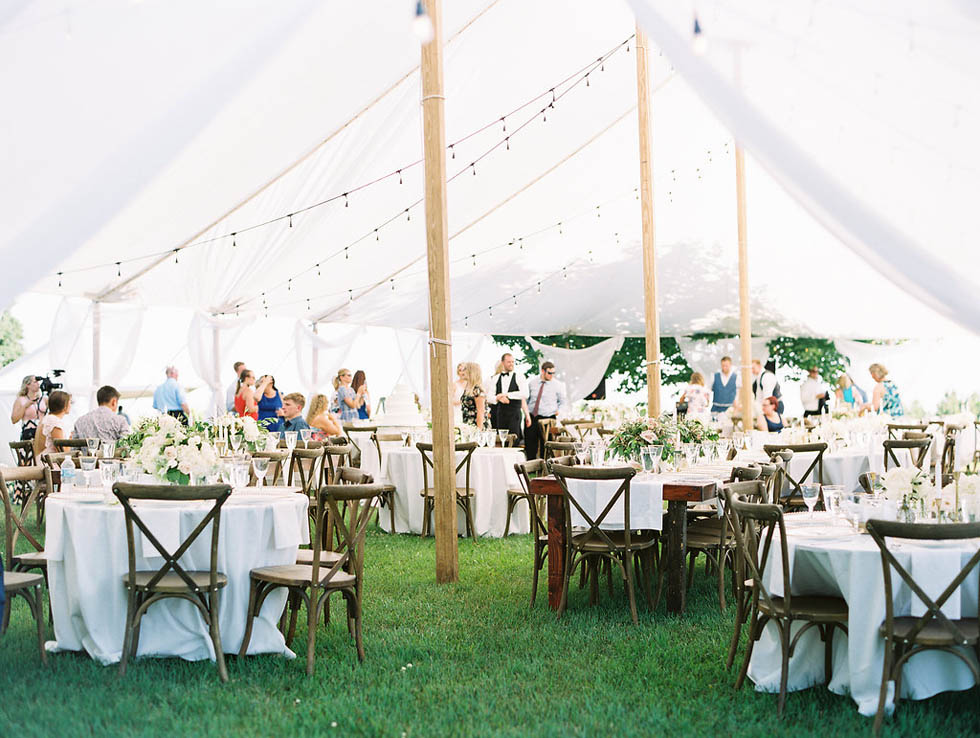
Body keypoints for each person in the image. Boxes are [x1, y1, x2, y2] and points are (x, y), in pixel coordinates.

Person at [525, 361, 567, 459]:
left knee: (547, 444)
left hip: (548, 418)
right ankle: (530, 466)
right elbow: (526, 399)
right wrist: (526, 414)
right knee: (530, 443)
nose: (551, 375)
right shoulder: (532, 383)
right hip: (532, 417)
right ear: (542, 371)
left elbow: (563, 401)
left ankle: (545, 466)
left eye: (553, 373)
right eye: (549, 373)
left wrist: (558, 411)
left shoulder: (557, 385)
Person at [487, 353, 528, 442]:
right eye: (508, 362)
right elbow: (489, 397)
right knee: (500, 441)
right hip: (500, 415)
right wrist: (498, 398)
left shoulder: (519, 376)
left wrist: (506, 395)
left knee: (514, 440)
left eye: (513, 362)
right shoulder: (495, 378)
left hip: (514, 415)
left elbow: (525, 394)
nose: (511, 364)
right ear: (502, 363)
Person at [34, 390, 72, 457]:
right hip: (48, 463)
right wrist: (71, 438)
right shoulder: (54, 422)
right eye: (70, 403)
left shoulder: (47, 418)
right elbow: (62, 452)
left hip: (41, 460)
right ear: (64, 405)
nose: (71, 405)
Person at [10, 375, 46, 441]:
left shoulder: (43, 399)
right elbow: (14, 420)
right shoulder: (20, 400)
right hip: (29, 434)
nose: (38, 384)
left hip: (42, 432)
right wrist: (25, 406)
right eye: (35, 382)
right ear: (27, 385)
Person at [459, 362, 491, 430]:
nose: (462, 371)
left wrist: (478, 431)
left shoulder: (477, 390)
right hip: (468, 426)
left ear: (471, 372)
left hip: (477, 427)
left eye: (464, 369)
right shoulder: (468, 389)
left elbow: (480, 411)